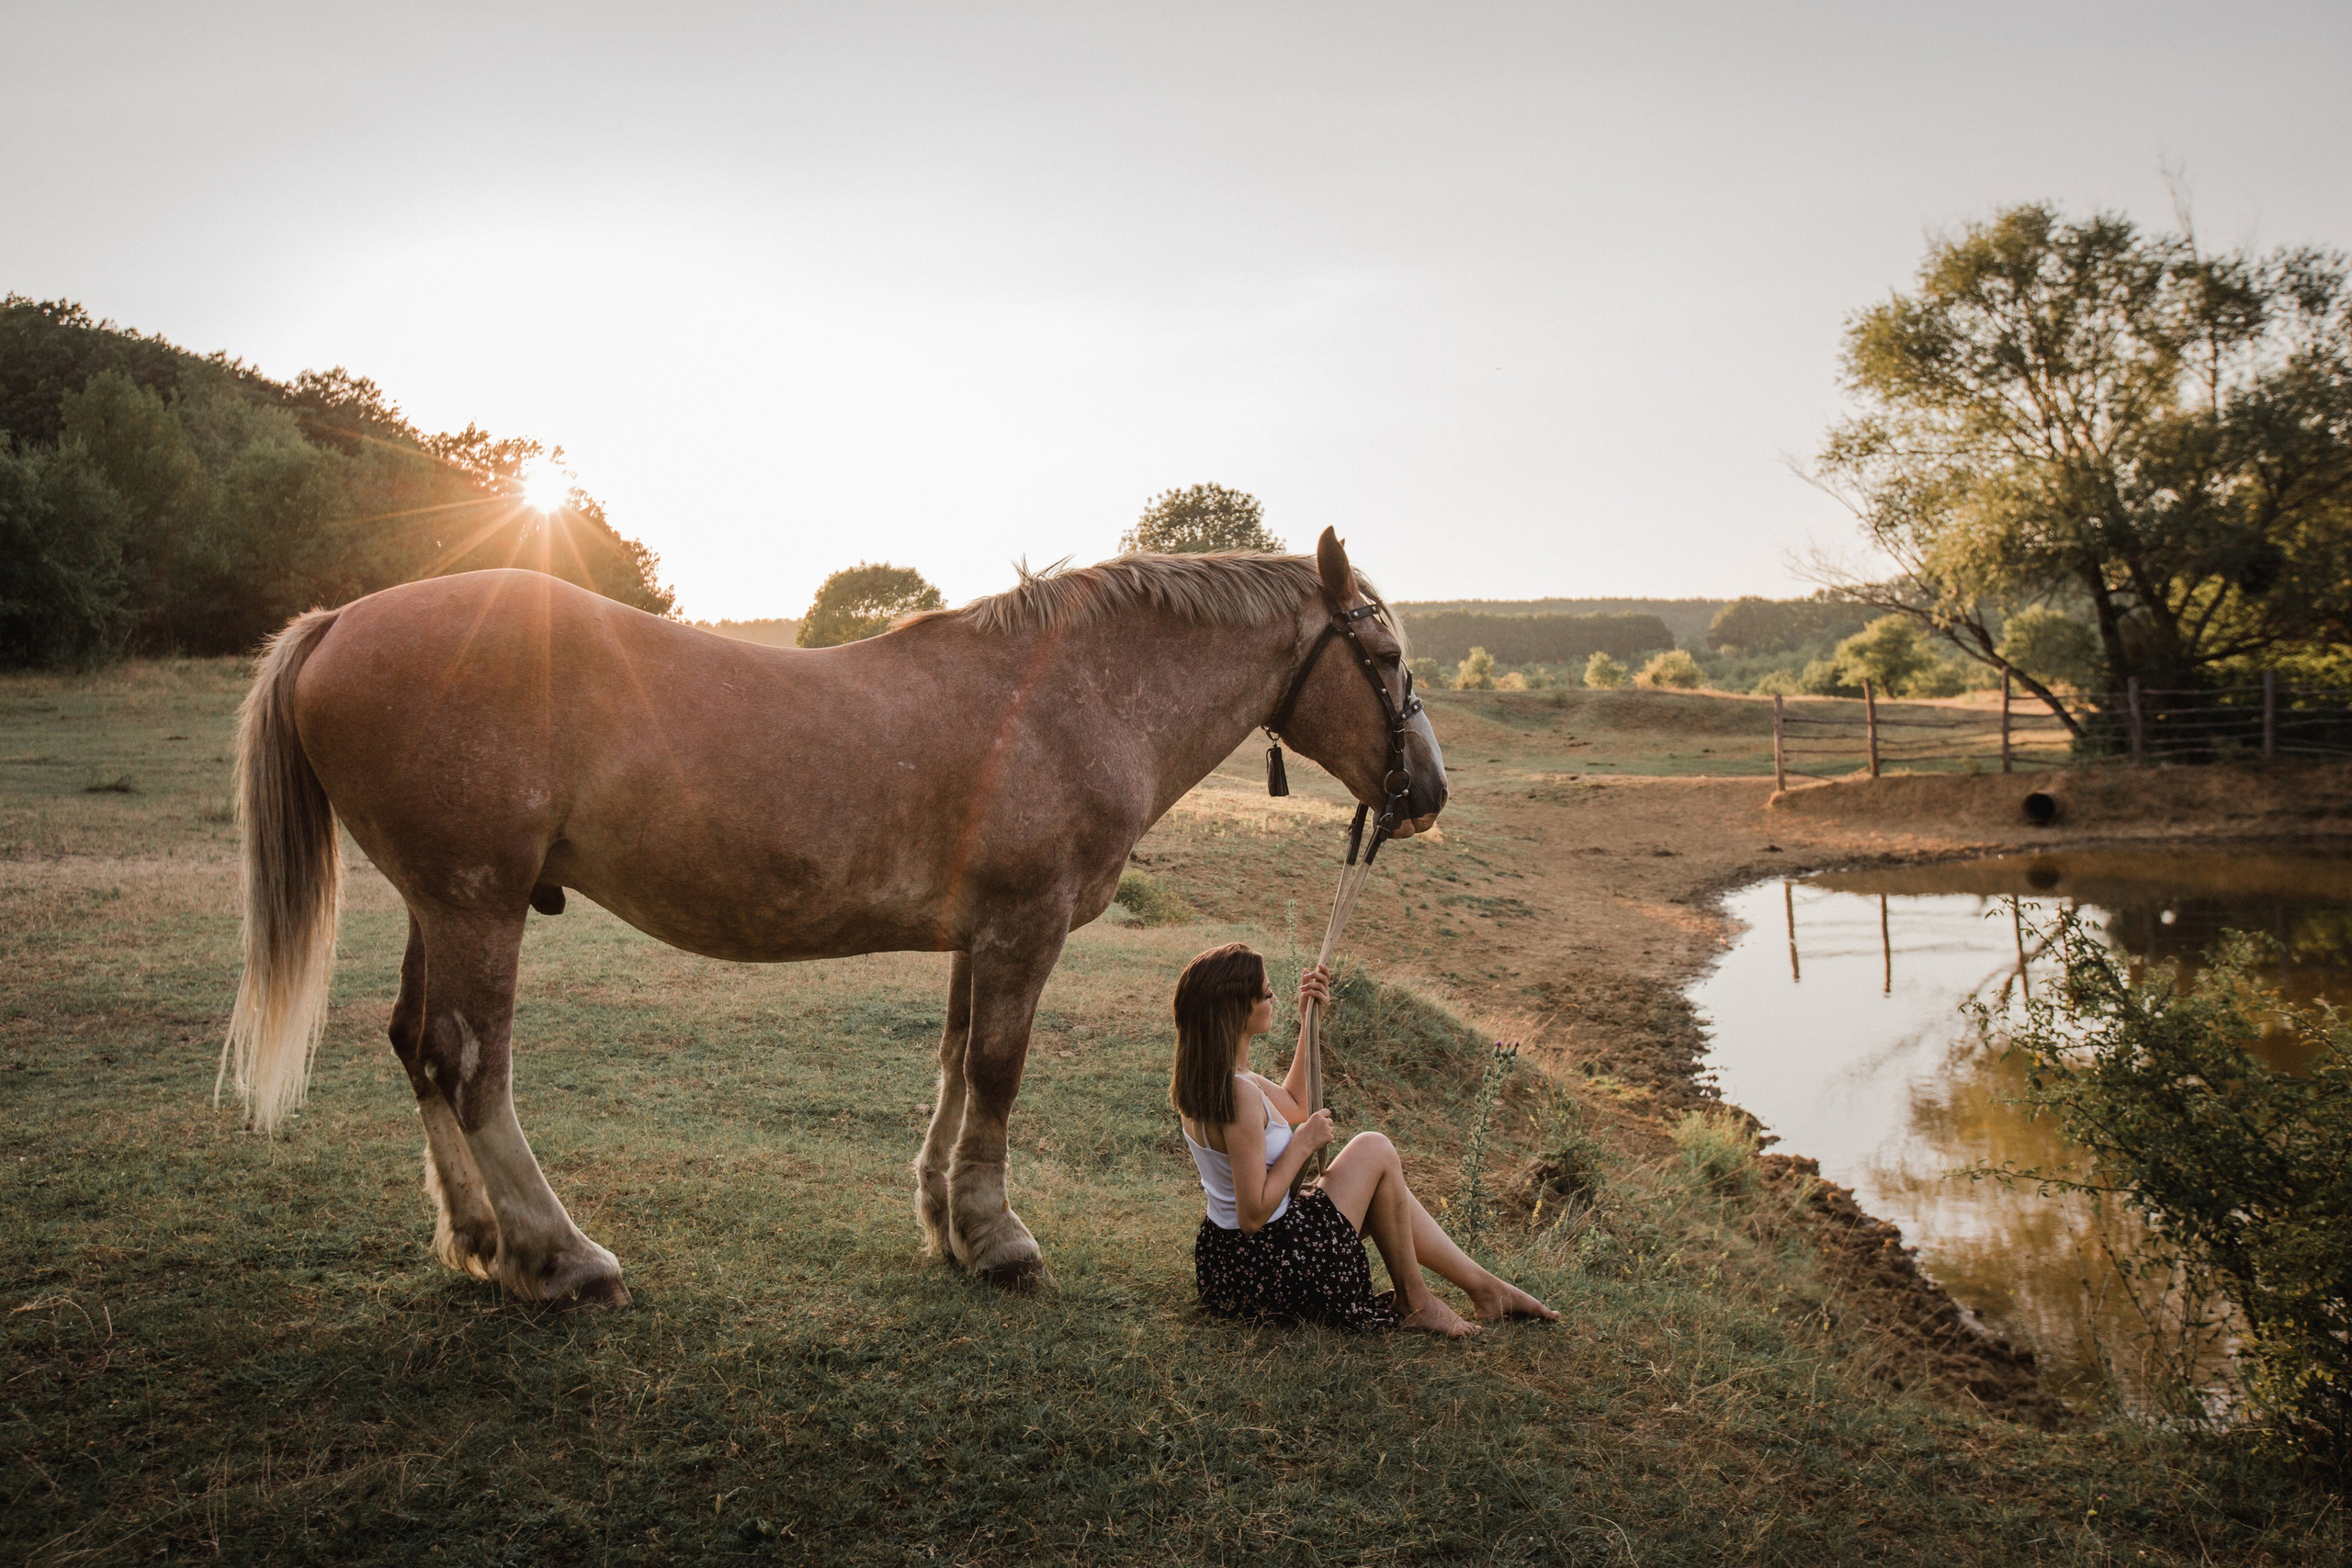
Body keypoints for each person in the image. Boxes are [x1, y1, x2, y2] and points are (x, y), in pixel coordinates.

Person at [1170, 942, 1558, 1337]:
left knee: (1382, 1184)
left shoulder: (1215, 1079)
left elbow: (1297, 1103)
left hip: (1230, 1267)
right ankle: (1419, 1301)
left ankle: (1484, 1289)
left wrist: (1309, 1022)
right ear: (1238, 1009)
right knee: (1373, 1148)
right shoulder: (1239, 1094)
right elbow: (1252, 1216)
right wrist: (1303, 1144)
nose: (1274, 1000)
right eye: (1267, 994)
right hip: (1269, 1268)